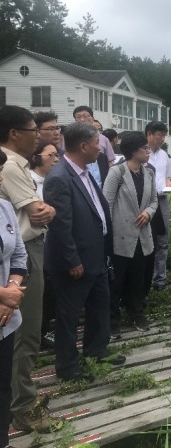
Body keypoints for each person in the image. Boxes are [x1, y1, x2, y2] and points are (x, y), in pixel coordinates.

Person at [43, 122, 125, 383]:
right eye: (96, 145)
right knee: (68, 315)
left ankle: (97, 350)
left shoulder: (83, 172)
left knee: (99, 306)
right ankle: (67, 366)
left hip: (96, 256)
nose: (100, 150)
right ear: (82, 146)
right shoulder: (59, 177)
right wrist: (72, 260)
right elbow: (60, 225)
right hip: (75, 261)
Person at [0, 105, 57, 433]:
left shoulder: (16, 164)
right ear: (14, 134)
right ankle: (22, 405)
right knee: (26, 332)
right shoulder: (9, 165)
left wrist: (46, 210)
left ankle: (16, 397)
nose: (39, 135)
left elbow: (43, 211)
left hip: (20, 254)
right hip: (20, 255)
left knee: (22, 331)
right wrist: (46, 209)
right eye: (33, 129)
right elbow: (37, 211)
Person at [103, 132, 157, 333]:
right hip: (120, 234)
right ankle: (111, 320)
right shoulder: (117, 172)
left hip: (142, 234)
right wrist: (106, 234)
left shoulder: (148, 172)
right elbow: (106, 203)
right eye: (145, 148)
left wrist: (148, 213)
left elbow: (153, 201)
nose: (148, 152)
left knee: (138, 277)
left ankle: (136, 313)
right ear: (134, 151)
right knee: (117, 279)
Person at [0, 148, 28, 448]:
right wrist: (4, 294)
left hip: (5, 317)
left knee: (2, 386)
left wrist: (11, 290)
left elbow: (19, 253)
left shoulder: (5, 208)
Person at [29, 140, 60, 351]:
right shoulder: (30, 182)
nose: (56, 159)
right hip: (35, 243)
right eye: (51, 155)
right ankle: (36, 334)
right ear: (36, 157)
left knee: (50, 290)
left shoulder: (57, 180)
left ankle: (46, 328)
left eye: (57, 155)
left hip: (54, 244)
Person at [145, 121, 171, 291]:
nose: (162, 139)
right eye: (159, 135)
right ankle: (145, 278)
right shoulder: (140, 153)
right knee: (146, 239)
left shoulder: (164, 155)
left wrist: (170, 184)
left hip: (161, 200)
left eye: (164, 136)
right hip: (144, 201)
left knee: (162, 240)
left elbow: (167, 178)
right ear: (149, 134)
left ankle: (160, 279)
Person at [72, 106, 115, 187]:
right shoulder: (70, 139)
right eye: (78, 117)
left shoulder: (103, 139)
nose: (82, 119)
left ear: (92, 118)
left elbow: (110, 162)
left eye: (85, 116)